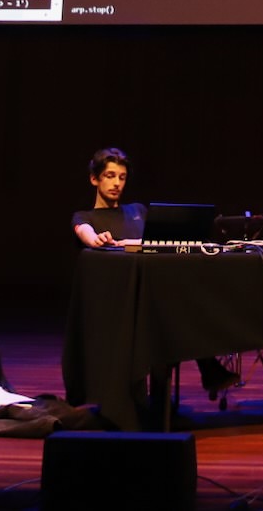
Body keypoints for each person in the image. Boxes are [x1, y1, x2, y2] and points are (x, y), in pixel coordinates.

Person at [70, 148, 238, 403]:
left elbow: (159, 240)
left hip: (154, 295)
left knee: (173, 311)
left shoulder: (138, 210)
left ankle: (166, 401)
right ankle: (207, 371)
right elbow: (86, 234)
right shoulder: (85, 216)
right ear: (95, 179)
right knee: (172, 314)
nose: (117, 183)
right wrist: (97, 239)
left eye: (122, 177)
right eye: (110, 175)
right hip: (122, 301)